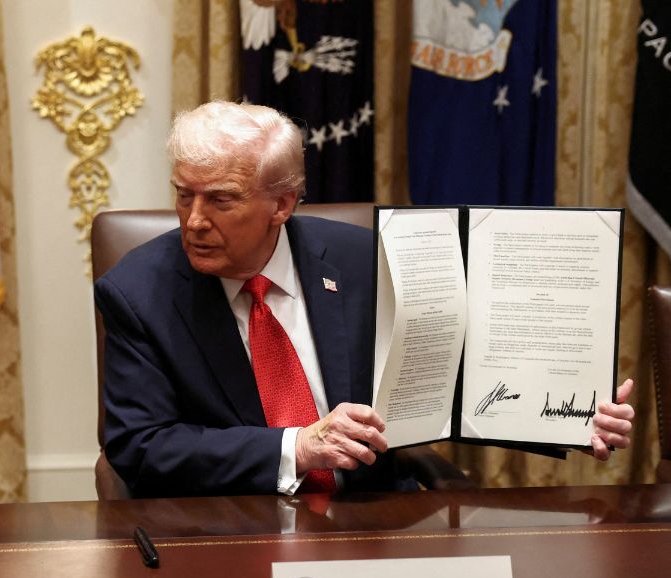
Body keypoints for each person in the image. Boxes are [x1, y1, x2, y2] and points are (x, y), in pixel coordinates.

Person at [94, 100, 635, 498]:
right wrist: (296, 448)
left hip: (370, 520)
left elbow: (455, 377)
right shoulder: (138, 292)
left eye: (221, 200)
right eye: (184, 194)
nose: (193, 220)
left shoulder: (369, 259)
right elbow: (142, 446)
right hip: (230, 528)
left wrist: (566, 412)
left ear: (282, 204)